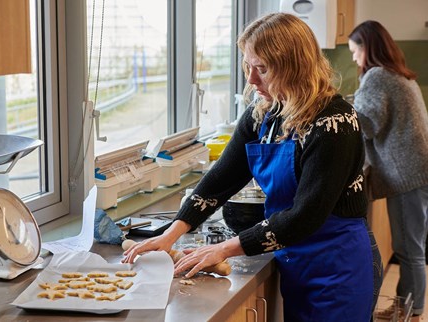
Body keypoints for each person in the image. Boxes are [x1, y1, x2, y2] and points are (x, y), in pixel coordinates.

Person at [124, 13, 382, 321]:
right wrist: (171, 233)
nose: (251, 79)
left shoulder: (334, 122)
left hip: (339, 265)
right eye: (248, 65)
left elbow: (306, 215)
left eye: (262, 68)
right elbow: (223, 177)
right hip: (294, 257)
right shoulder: (263, 114)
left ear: (294, 67)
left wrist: (225, 249)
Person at [348, 20, 428, 320]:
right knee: (411, 246)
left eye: (356, 51)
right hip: (417, 169)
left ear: (367, 48)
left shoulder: (378, 76)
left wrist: (342, 111)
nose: (355, 58)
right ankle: (403, 306)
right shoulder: (397, 73)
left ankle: (413, 312)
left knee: (409, 249)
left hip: (408, 173)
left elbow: (366, 124)